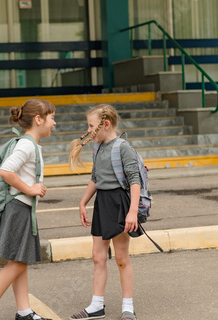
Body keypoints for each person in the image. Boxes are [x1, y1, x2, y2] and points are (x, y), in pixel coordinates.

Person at [0, 99, 56, 320]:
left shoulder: (30, 144)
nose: (54, 123)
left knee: (19, 262)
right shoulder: (27, 145)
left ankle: (24, 312)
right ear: (38, 119)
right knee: (17, 263)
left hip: (21, 209)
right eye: (52, 118)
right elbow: (6, 171)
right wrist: (30, 188)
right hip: (18, 208)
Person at [68, 104, 143, 320]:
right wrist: (83, 202)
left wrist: (132, 212)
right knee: (98, 256)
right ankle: (96, 305)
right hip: (102, 203)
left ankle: (128, 306)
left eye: (91, 126)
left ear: (106, 124)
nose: (89, 130)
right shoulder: (98, 147)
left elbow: (135, 181)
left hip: (119, 204)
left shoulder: (123, 147)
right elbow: (95, 177)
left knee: (121, 257)